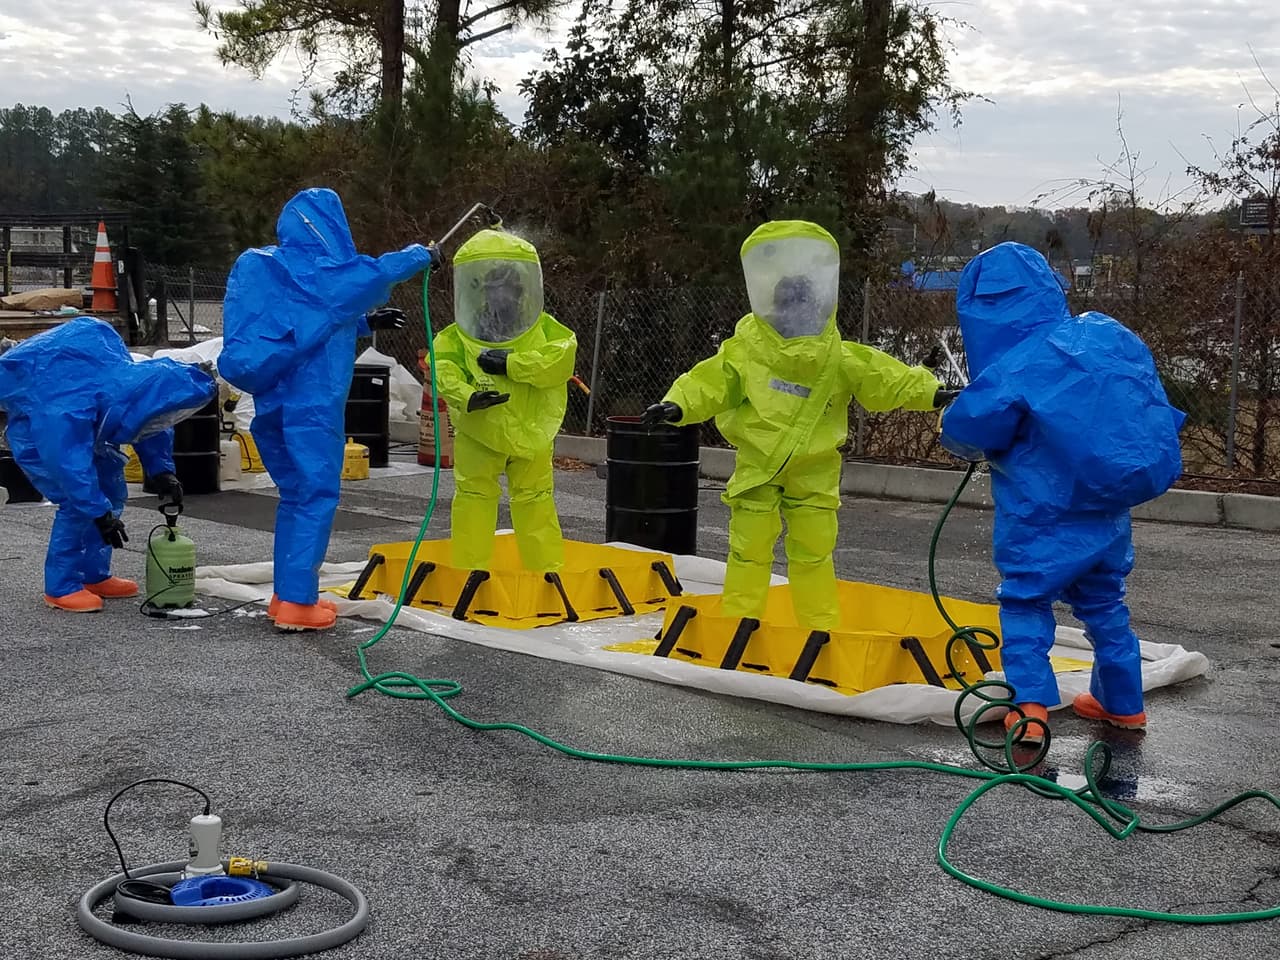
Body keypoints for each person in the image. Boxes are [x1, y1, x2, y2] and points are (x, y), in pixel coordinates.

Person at [643, 220, 950, 630]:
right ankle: (765, 628)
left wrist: (931, 391)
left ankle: (802, 632)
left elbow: (886, 379)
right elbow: (709, 383)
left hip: (799, 470)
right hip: (773, 469)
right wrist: (675, 405)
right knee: (774, 553)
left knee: (796, 554)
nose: (795, 314)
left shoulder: (830, 356)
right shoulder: (754, 351)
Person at [940, 242, 1185, 743]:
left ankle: (1029, 710)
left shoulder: (1015, 365)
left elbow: (968, 430)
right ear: (1048, 288)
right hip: (1108, 514)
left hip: (1041, 516)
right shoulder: (1106, 334)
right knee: (1107, 607)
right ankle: (1124, 705)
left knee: (1026, 603)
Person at [219, 187, 440, 632]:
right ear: (330, 227)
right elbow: (374, 273)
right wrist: (422, 254)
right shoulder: (326, 273)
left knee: (295, 497)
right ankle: (299, 604)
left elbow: (304, 322)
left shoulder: (265, 268)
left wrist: (364, 323)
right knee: (315, 496)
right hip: (312, 407)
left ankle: (286, 595)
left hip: (272, 404)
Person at [0, 317, 216, 612]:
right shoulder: (67, 410)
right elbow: (69, 465)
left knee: (111, 492)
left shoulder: (138, 389)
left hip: (95, 425)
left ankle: (94, 574)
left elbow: (152, 422)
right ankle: (61, 586)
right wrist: (98, 513)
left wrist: (162, 470)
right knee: (78, 505)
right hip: (40, 436)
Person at [431, 229, 577, 573]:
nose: (500, 296)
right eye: (494, 288)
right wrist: (468, 396)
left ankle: (546, 577)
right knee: (474, 501)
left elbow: (560, 360)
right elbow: (443, 368)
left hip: (531, 427)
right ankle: (471, 576)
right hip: (481, 428)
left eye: (507, 287)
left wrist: (510, 364)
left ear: (522, 288)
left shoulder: (543, 329)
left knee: (535, 502)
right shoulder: (464, 331)